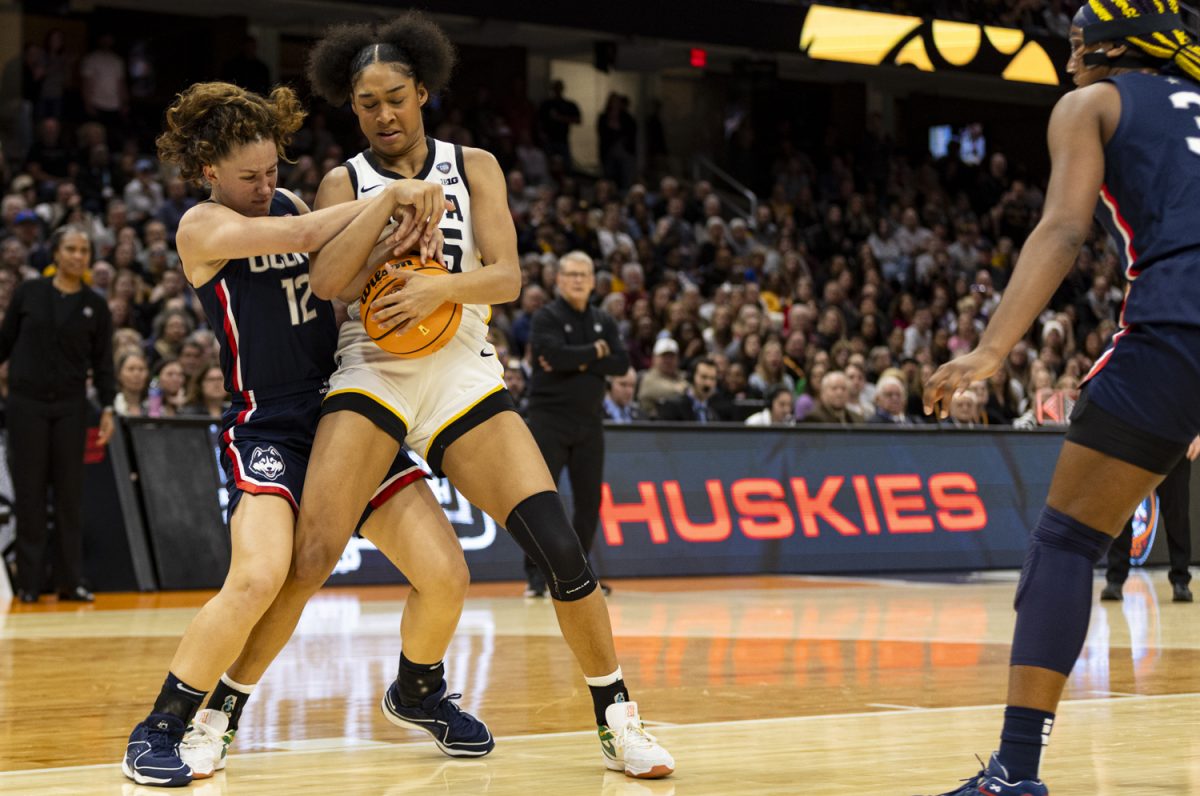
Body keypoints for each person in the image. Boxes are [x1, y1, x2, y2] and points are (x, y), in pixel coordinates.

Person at [231, 14, 672, 780]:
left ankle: (618, 721)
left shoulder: (476, 167)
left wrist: (438, 285)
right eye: (367, 104)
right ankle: (219, 713)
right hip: (371, 367)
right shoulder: (346, 182)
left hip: (463, 368)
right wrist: (388, 219)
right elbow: (330, 284)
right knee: (312, 554)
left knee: (562, 551)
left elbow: (506, 278)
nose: (384, 114)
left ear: (424, 91)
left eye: (395, 97)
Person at [121, 81, 488, 788]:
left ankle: (419, 691)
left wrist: (404, 248)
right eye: (248, 178)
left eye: (272, 171)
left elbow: (340, 272)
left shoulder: (292, 202)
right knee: (258, 575)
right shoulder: (200, 227)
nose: (267, 187)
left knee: (446, 575)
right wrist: (388, 196)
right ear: (209, 175)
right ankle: (163, 725)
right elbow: (298, 237)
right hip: (267, 421)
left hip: (344, 412)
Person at [922, 4, 1200, 793]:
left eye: (1078, 41)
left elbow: (1063, 229)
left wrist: (991, 347)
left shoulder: (1093, 105)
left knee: (1068, 541)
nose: (1069, 55)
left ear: (1116, 46)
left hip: (1181, 319)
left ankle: (1016, 771)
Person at [0, 225, 114, 604]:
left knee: (70, 495)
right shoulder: (29, 293)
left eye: (84, 250)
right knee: (29, 493)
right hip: (25, 405)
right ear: (55, 253)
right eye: (71, 248)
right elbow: (4, 343)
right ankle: (30, 583)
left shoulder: (95, 306)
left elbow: (103, 365)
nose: (78, 256)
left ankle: (71, 580)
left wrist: (110, 406)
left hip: (70, 407)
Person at [524, 250, 629, 598]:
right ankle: (538, 577)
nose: (579, 280)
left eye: (585, 274)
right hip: (548, 419)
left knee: (589, 502)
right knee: (541, 499)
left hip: (589, 423)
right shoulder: (546, 317)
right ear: (558, 280)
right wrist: (596, 353)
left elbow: (621, 363)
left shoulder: (604, 320)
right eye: (571, 274)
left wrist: (578, 359)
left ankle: (579, 573)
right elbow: (553, 356)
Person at [1101, 436, 1196, 603]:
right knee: (1121, 511)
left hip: (1172, 439)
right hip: (1131, 436)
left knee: (1177, 514)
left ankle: (1181, 581)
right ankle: (1115, 580)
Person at [657, 357, 723, 422]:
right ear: (691, 377)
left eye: (712, 378)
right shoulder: (673, 406)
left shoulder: (714, 414)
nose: (708, 383)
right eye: (704, 377)